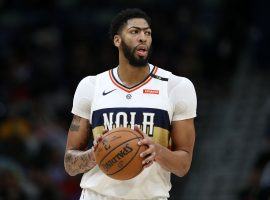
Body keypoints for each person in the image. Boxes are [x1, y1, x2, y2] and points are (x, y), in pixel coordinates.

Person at [64, 8, 197, 200]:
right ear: (117, 40)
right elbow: (70, 163)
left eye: (147, 33)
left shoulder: (177, 87)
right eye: (135, 31)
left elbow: (183, 165)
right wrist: (96, 155)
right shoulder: (90, 86)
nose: (143, 37)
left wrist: (157, 151)